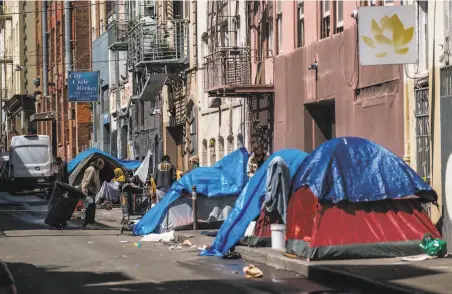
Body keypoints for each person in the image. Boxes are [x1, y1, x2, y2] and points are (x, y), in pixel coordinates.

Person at [81, 158, 104, 230]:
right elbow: (86, 181)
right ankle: (87, 224)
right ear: (98, 164)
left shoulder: (96, 170)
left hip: (93, 192)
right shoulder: (91, 170)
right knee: (90, 209)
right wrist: (84, 193)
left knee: (92, 208)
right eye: (102, 165)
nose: (102, 167)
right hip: (89, 192)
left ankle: (91, 223)